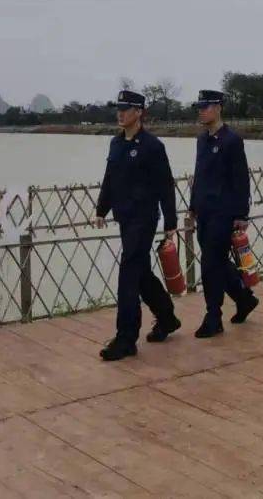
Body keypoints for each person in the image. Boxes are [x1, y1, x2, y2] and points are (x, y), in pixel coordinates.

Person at [94, 90, 181, 361]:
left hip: (144, 219)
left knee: (128, 274)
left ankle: (126, 338)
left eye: (126, 109)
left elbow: (165, 185)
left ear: (139, 112)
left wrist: (170, 221)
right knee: (140, 272)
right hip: (125, 216)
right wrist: (101, 209)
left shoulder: (153, 146)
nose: (120, 113)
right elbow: (110, 177)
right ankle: (167, 317)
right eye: (118, 109)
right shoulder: (116, 143)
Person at [188, 89, 259, 338]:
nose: (201, 111)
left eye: (206, 107)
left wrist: (241, 214)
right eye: (199, 107)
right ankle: (244, 298)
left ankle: (213, 316)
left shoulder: (232, 140)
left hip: (224, 212)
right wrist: (192, 206)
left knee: (210, 264)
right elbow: (199, 176)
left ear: (218, 107)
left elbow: (241, 179)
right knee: (216, 261)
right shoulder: (201, 140)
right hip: (204, 212)